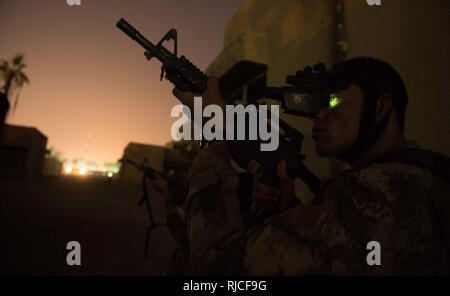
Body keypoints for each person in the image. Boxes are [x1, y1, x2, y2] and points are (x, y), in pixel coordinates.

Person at [151, 57, 450, 275]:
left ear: (381, 107)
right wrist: (289, 211)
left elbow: (214, 270)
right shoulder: (423, 179)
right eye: (315, 103)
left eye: (332, 101)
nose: (317, 115)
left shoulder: (380, 195)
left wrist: (214, 137)